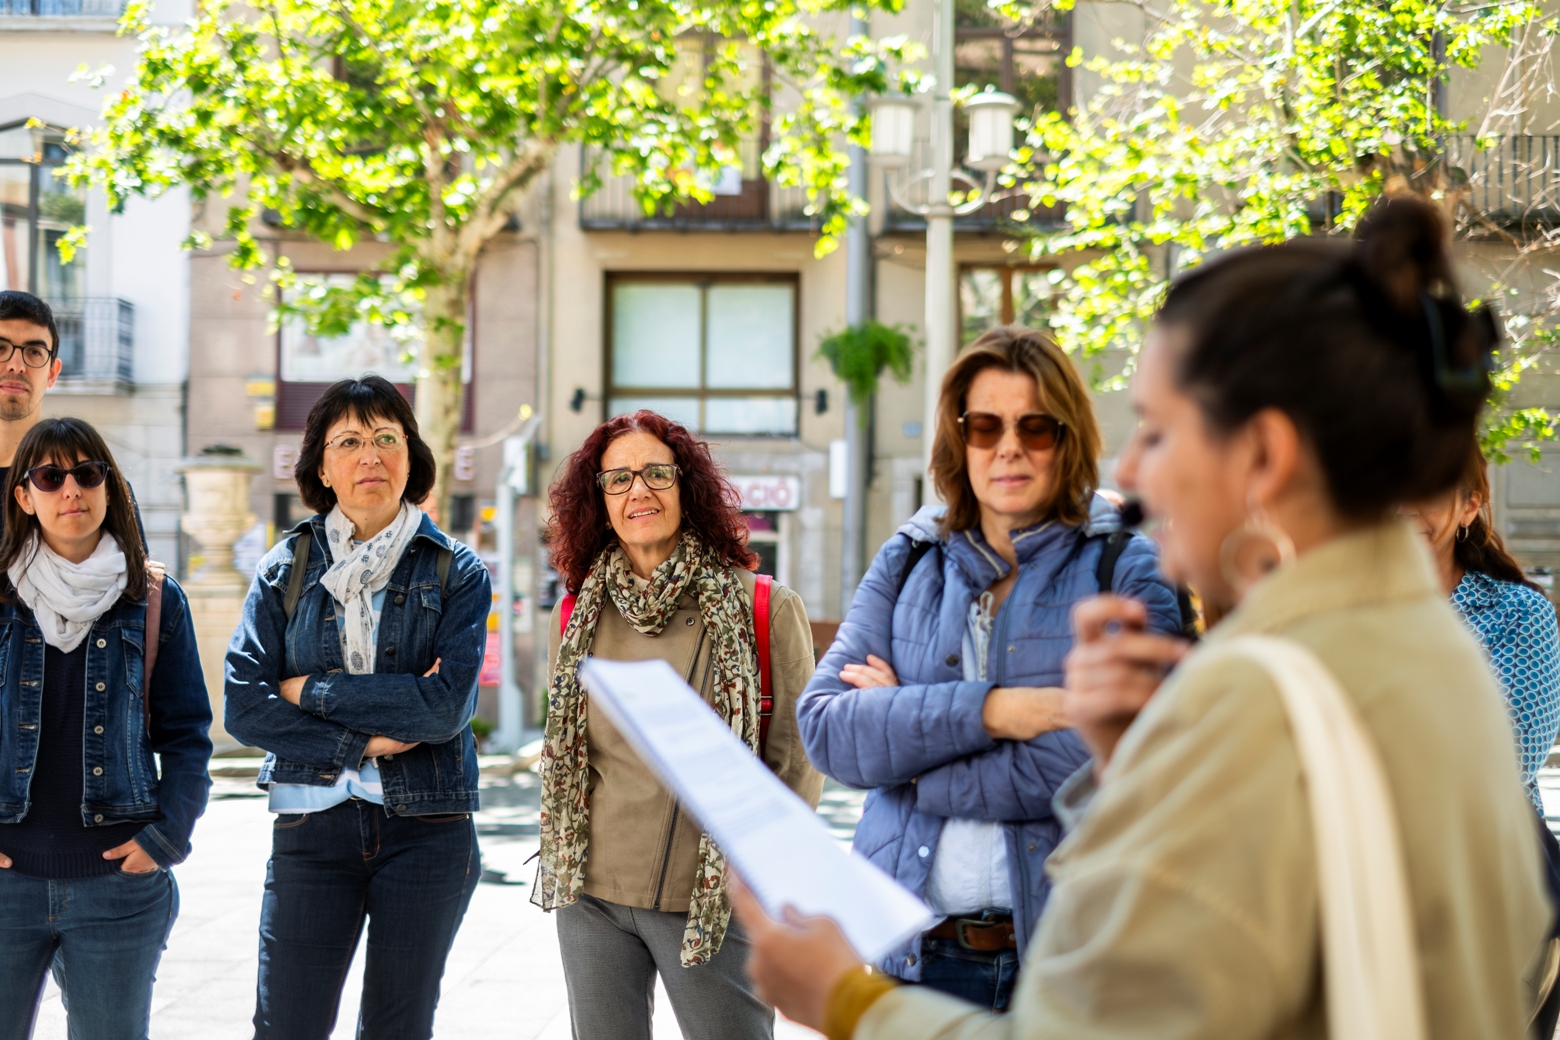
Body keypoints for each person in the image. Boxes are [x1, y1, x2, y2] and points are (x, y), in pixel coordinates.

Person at [734, 197, 1550, 1040]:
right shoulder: (1428, 648)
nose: (1133, 470)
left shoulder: (1254, 694)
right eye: (983, 427)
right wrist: (1118, 760)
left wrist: (843, 998)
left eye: (1158, 432)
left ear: (1264, 455)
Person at [795, 327, 1181, 1011]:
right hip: (911, 955)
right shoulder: (909, 557)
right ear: (959, 437)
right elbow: (828, 730)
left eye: (1035, 427)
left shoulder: (1122, 565)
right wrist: (996, 712)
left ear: (1067, 438)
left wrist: (912, 759)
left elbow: (1109, 758)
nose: (1009, 447)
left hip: (1067, 959)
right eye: (985, 426)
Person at [534, 409, 823, 1040]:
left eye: (656, 473)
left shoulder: (763, 607)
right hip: (592, 893)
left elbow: (797, 762)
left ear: (686, 486)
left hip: (712, 897)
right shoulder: (577, 615)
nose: (638, 491)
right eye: (618, 480)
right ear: (600, 503)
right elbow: (572, 753)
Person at [224, 375, 491, 1040]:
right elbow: (244, 704)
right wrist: (361, 744)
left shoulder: (456, 571)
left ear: (410, 455)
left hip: (427, 828)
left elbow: (443, 709)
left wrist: (309, 690)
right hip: (310, 828)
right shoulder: (284, 568)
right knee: (286, 1025)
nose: (370, 456)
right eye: (349, 441)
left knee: (398, 1028)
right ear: (322, 467)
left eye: (386, 439)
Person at [0, 417, 212, 1040]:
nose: (71, 489)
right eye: (50, 477)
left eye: (87, 473)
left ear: (108, 486)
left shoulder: (153, 599)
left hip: (117, 890)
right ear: (24, 496)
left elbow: (187, 734)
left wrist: (166, 837)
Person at [1403, 446, 1560, 815]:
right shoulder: (1336, 612)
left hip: (1478, 844)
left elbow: (1507, 756)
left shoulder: (1518, 612)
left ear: (1469, 507)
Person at [0, 292, 146, 542]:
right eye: (0, 348)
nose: (17, 365)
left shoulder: (90, 485)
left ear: (52, 373)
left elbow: (132, 567)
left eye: (34, 351)